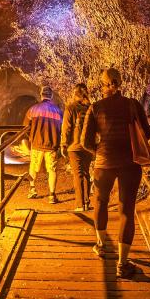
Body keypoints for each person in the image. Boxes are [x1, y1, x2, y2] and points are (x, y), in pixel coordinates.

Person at [81, 68, 150, 278]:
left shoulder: (95, 108)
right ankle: (123, 263)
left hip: (104, 163)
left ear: (103, 85)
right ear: (120, 83)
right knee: (127, 210)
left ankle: (101, 245)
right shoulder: (133, 105)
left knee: (101, 202)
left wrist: (99, 151)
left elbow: (84, 141)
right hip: (130, 162)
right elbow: (146, 133)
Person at [23, 86, 63, 204]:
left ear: (41, 95)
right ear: (51, 96)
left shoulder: (33, 109)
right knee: (52, 169)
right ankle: (52, 195)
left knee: (33, 167)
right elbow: (62, 128)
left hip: (37, 144)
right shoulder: (58, 111)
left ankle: (32, 189)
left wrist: (30, 137)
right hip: (52, 145)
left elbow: (25, 126)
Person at [61, 83, 93, 212]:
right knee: (86, 173)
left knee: (78, 174)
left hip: (74, 147)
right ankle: (86, 202)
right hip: (88, 147)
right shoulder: (91, 108)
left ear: (75, 94)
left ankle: (80, 204)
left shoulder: (70, 108)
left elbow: (67, 128)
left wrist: (63, 144)